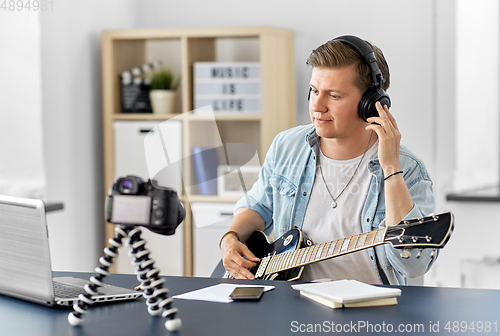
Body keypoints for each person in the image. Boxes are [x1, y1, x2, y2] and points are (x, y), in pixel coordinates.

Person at [219, 35, 435, 285]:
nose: (317, 106)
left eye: (333, 96)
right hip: (290, 308)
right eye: (314, 90)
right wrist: (230, 238)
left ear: (371, 104)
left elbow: (414, 266)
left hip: (370, 316)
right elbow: (259, 207)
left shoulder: (408, 170)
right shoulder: (286, 146)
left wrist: (390, 168)